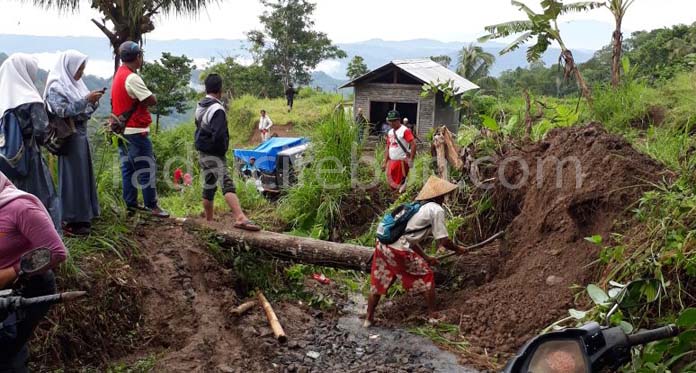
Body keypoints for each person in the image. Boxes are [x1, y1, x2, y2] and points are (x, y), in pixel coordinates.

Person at [365, 176, 467, 328]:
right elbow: (443, 241)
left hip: (382, 246)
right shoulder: (436, 210)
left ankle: (368, 319)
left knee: (380, 281)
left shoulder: (416, 207)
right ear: (438, 196)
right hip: (397, 250)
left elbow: (409, 238)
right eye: (444, 195)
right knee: (427, 276)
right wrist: (459, 249)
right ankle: (433, 316)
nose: (445, 198)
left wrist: (426, 257)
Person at [0, 171, 68, 370]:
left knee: (7, 349)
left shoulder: (20, 208)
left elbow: (56, 251)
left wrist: (10, 272)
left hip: (29, 288)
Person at [44, 50, 103, 236]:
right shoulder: (57, 87)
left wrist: (92, 103)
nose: (81, 73)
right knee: (72, 179)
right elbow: (62, 111)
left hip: (80, 136)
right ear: (69, 67)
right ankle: (70, 219)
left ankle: (84, 216)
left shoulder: (75, 85)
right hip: (69, 138)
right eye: (79, 69)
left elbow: (82, 113)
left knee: (82, 177)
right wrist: (86, 100)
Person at [0, 54, 61, 230]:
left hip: (5, 160)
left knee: (11, 199)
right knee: (40, 196)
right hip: (28, 157)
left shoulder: (4, 100)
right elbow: (42, 133)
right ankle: (44, 240)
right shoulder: (29, 99)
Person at [195, 74, 261, 231]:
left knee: (209, 186)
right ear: (220, 89)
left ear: (206, 88)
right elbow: (218, 135)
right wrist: (221, 150)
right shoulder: (217, 109)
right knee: (226, 182)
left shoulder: (200, 105)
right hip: (214, 153)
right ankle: (240, 217)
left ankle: (209, 221)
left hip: (203, 152)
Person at [111, 41, 169, 218]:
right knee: (146, 168)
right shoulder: (132, 77)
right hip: (136, 131)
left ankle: (131, 205)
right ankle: (152, 205)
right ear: (138, 57)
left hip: (122, 131)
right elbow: (150, 100)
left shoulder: (119, 74)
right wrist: (153, 95)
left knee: (128, 168)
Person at [382, 110, 416, 193]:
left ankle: (399, 200)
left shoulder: (405, 130)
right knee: (391, 183)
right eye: (390, 121)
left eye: (394, 121)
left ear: (399, 120)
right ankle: (393, 200)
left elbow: (413, 144)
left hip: (401, 162)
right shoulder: (390, 132)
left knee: (399, 184)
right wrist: (384, 162)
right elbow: (388, 147)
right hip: (392, 161)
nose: (392, 123)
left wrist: (411, 159)